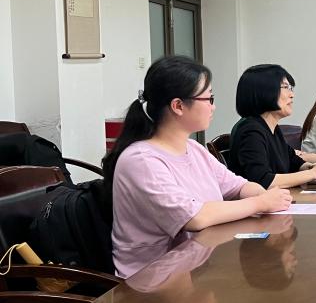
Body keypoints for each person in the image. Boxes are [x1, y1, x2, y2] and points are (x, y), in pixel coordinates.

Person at [104, 55, 293, 278]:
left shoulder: (193, 149)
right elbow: (194, 217)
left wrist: (261, 195)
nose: (214, 107)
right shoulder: (141, 160)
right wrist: (260, 202)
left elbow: (238, 186)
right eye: (209, 99)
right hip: (153, 279)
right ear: (178, 106)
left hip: (197, 265)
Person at [228, 64, 316, 188]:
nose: (292, 95)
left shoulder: (272, 128)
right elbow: (263, 181)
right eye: (286, 87)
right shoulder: (251, 131)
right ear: (264, 91)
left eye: (291, 88)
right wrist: (315, 172)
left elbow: (295, 162)